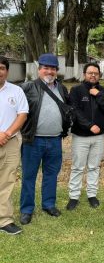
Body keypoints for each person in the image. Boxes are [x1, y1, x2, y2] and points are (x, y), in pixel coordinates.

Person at [20, 53, 70, 225]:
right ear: (39, 69)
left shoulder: (62, 89)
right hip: (33, 140)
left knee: (51, 174)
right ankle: (27, 209)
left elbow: (67, 110)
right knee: (29, 176)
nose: (50, 71)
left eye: (53, 68)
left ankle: (48, 204)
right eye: (46, 68)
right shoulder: (27, 88)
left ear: (57, 71)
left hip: (55, 140)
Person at [66, 63, 104, 211]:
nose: (93, 75)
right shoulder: (76, 90)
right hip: (81, 136)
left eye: (96, 73)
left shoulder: (103, 91)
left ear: (99, 75)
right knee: (78, 167)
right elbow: (74, 111)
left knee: (94, 167)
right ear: (85, 74)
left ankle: (92, 195)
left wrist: (97, 94)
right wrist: (89, 125)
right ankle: (74, 196)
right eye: (90, 73)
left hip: (99, 137)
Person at [0, 56, 28, 235]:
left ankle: (4, 220)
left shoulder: (16, 91)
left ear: (7, 71)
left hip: (9, 142)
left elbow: (22, 114)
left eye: (2, 68)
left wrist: (6, 134)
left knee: (6, 181)